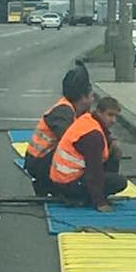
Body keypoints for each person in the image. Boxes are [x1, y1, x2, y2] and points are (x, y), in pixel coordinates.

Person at [24, 64, 93, 196]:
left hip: (40, 160)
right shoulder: (63, 112)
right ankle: (58, 185)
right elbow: (71, 142)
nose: (93, 99)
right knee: (76, 153)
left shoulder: (74, 110)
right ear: (83, 97)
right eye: (91, 95)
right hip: (39, 163)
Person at [49, 96, 127, 211]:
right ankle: (85, 198)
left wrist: (112, 144)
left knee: (113, 154)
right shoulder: (93, 136)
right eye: (110, 115)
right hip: (68, 184)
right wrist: (100, 203)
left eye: (116, 116)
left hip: (62, 179)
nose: (113, 120)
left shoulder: (89, 119)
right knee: (119, 182)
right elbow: (94, 172)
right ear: (99, 112)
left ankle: (91, 195)